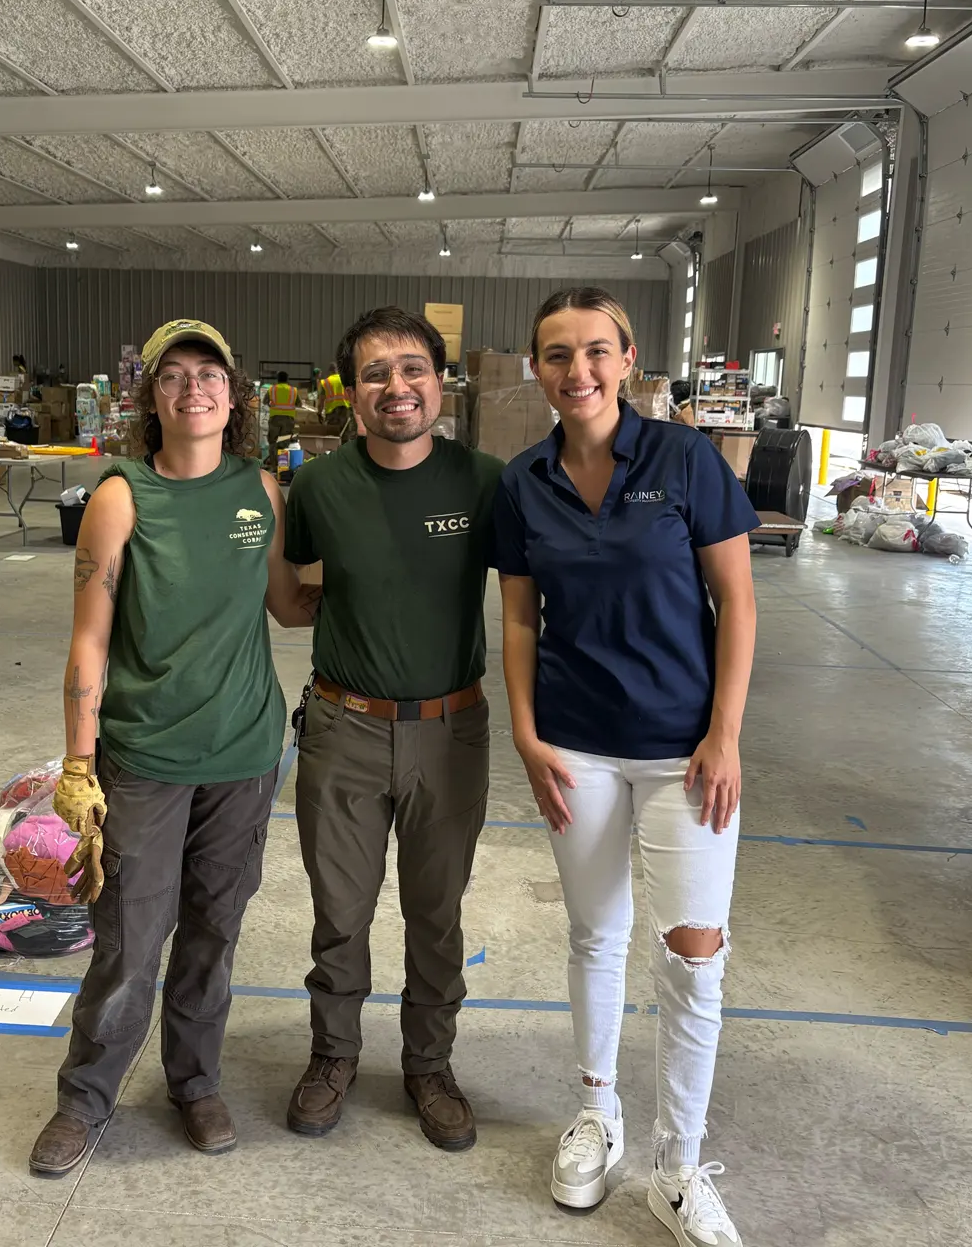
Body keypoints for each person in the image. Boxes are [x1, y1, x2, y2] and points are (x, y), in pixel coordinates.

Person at [492, 287, 757, 1246]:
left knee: (694, 953)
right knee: (596, 933)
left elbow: (738, 602)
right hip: (576, 747)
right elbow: (519, 618)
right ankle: (598, 1114)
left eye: (596, 351)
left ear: (630, 359)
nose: (580, 371)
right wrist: (526, 733)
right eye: (558, 354)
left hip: (685, 751)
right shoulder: (523, 482)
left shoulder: (685, 460)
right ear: (537, 368)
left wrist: (724, 734)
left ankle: (678, 1165)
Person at [28, 319, 319, 1177]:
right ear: (152, 398)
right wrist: (78, 763)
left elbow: (287, 605)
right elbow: (90, 638)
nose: (194, 388)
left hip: (245, 755)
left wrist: (382, 577)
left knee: (213, 934)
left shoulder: (260, 490)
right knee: (129, 938)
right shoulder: (122, 496)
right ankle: (85, 1097)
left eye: (210, 374)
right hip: (146, 759)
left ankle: (194, 1083)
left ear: (234, 396)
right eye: (175, 376)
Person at [282, 306, 503, 1151]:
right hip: (345, 729)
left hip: (451, 732)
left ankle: (429, 1064)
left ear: (440, 382)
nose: (396, 387)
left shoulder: (484, 483)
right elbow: (295, 593)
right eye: (374, 373)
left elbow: (532, 597)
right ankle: (333, 1054)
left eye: (413, 368)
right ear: (351, 391)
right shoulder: (319, 486)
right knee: (339, 912)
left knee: (435, 914)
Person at [267, 369, 298, 469]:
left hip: (275, 419)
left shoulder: (272, 389)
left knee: (273, 442)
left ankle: (274, 467)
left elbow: (265, 401)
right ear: (287, 379)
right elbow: (299, 404)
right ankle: (282, 467)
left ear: (277, 379)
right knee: (284, 442)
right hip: (288, 420)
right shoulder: (293, 390)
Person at [317, 363, 352, 438]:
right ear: (338, 370)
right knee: (345, 434)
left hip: (331, 413)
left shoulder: (325, 382)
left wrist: (319, 413)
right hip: (344, 411)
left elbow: (321, 401)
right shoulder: (344, 380)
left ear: (330, 371)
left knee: (332, 435)